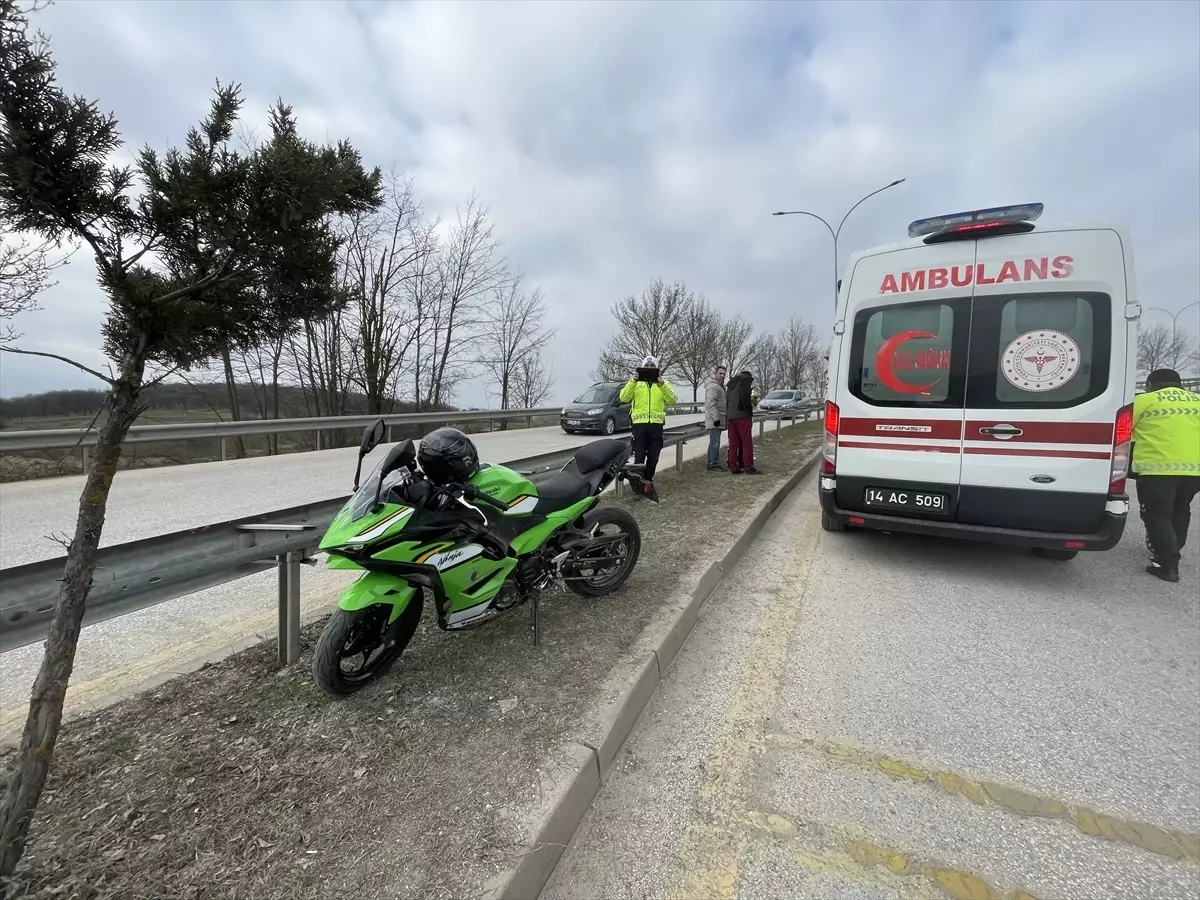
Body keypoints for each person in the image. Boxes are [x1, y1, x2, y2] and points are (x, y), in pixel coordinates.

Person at [1131, 368, 1200, 583]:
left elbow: (1123, 429)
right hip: (1194, 470)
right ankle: (1172, 548)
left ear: (1150, 384)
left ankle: (1168, 564)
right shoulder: (1197, 400)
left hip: (1157, 469)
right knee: (1181, 510)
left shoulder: (1145, 400)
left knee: (1157, 515)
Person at [619, 355, 677, 501]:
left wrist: (662, 385)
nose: (649, 369)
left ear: (657, 369)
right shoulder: (636, 383)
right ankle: (639, 488)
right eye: (647, 366)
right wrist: (633, 381)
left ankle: (648, 482)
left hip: (656, 426)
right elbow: (623, 397)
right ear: (643, 367)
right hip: (639, 426)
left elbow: (672, 399)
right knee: (639, 458)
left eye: (652, 367)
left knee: (653, 457)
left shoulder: (663, 383)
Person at [726, 369, 760, 475]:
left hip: (731, 416)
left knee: (733, 443)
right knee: (746, 441)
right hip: (742, 416)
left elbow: (727, 401)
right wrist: (749, 412)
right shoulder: (745, 381)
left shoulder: (731, 384)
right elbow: (745, 398)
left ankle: (734, 466)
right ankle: (748, 466)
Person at [703, 364, 727, 472]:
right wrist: (716, 418)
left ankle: (711, 463)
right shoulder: (713, 386)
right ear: (715, 373)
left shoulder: (720, 386)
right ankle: (714, 464)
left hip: (718, 419)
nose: (722, 375)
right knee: (715, 443)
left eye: (723, 374)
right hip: (714, 420)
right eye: (720, 373)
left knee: (713, 442)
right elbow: (710, 403)